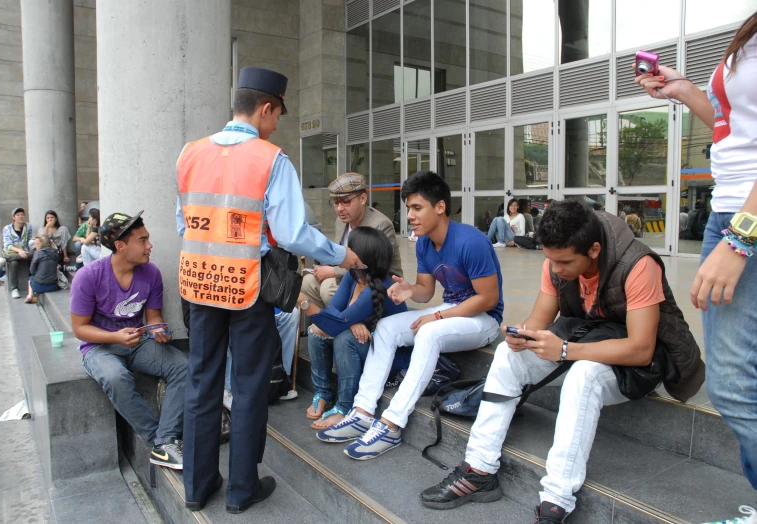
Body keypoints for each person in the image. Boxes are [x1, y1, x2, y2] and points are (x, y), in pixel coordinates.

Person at [420, 200, 704, 522]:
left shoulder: (638, 264)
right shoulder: (556, 260)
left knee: (584, 375)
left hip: (635, 364)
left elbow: (641, 349)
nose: (555, 269)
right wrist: (521, 335)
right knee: (506, 354)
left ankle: (556, 500)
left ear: (594, 250)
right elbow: (539, 319)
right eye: (549, 260)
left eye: (564, 262)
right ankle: (479, 469)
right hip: (586, 340)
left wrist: (566, 351)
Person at [177, 67, 363, 514]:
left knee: (202, 384)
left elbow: (185, 224)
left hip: (200, 285)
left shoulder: (189, 154)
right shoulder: (269, 158)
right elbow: (292, 232)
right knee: (248, 386)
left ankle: (197, 487)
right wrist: (341, 256)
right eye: (277, 113)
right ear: (265, 107)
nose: (277, 123)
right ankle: (242, 490)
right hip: (247, 289)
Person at [637, 12, 757, 523]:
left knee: (731, 384)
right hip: (730, 209)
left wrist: (742, 237)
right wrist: (687, 92)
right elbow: (736, 129)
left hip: (746, 220)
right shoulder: (749, 31)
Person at [323, 171, 503, 460]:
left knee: (428, 331)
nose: (409, 215)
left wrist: (439, 318)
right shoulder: (423, 242)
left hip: (484, 320)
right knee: (386, 328)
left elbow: (488, 299)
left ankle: (392, 424)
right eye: (408, 208)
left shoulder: (471, 242)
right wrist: (408, 290)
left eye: (417, 207)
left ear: (440, 207)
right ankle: (362, 411)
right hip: (451, 311)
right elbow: (425, 291)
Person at [70, 211, 188, 471]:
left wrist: (159, 330)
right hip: (100, 347)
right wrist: (114, 337)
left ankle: (166, 441)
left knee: (183, 366)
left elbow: (154, 317)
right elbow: (80, 329)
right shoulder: (88, 277)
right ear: (121, 246)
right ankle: (157, 440)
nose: (150, 246)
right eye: (143, 240)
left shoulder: (151, 274)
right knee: (115, 378)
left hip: (138, 343)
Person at [174, 210, 301, 410]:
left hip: (251, 290)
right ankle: (227, 388)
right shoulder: (199, 256)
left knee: (290, 315)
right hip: (216, 303)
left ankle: (278, 378)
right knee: (233, 325)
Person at [299, 227, 407, 431]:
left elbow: (335, 324)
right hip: (367, 343)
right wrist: (353, 321)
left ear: (362, 258)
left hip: (391, 358)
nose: (344, 251)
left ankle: (344, 407)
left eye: (349, 248)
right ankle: (323, 393)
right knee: (316, 332)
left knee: (344, 338)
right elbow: (333, 312)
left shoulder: (380, 286)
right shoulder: (353, 275)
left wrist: (304, 302)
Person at [300, 172, 402, 308]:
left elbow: (373, 268)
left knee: (328, 288)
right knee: (307, 282)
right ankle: (327, 323)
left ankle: (347, 325)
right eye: (336, 203)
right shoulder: (341, 221)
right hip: (349, 277)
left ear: (363, 199)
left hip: (377, 283)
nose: (339, 209)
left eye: (346, 201)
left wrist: (333, 272)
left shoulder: (380, 224)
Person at [0, 208, 34, 298]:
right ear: (13, 217)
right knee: (14, 263)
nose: (20, 217)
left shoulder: (28, 226)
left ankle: (4, 260)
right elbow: (8, 245)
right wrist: (19, 251)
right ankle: (14, 289)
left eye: (22, 214)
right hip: (13, 252)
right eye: (18, 215)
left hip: (25, 251)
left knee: (34, 254)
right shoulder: (7, 228)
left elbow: (29, 240)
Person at [24, 235, 59, 304]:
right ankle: (35, 296)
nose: (35, 246)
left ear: (43, 243)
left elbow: (32, 270)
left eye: (37, 244)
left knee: (31, 278)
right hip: (53, 286)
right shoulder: (55, 252)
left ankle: (30, 295)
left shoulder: (38, 253)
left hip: (39, 286)